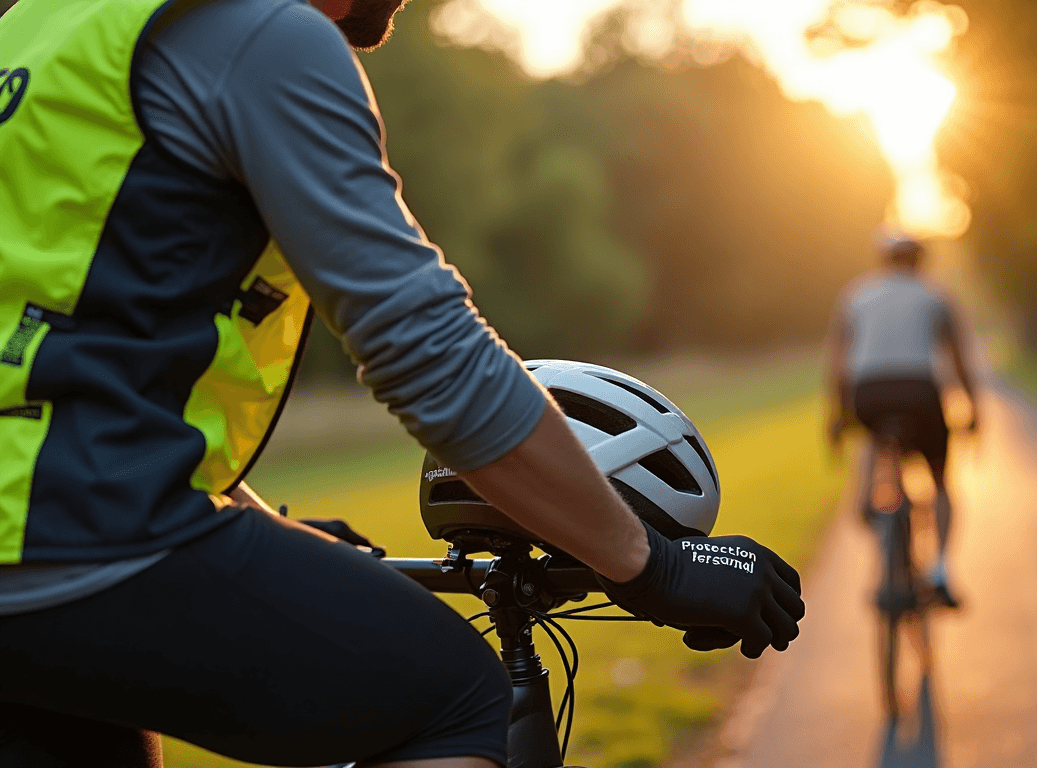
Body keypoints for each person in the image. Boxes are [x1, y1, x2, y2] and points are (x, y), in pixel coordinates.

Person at [0, 1, 803, 766]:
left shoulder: (43, 25)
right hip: (82, 535)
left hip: (43, 540)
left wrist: (251, 519)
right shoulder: (263, 32)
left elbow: (70, 357)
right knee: (457, 705)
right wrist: (651, 564)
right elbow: (426, 352)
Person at [825, 231, 978, 608]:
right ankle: (940, 570)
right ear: (920, 261)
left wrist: (836, 416)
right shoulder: (936, 295)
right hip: (919, 390)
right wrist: (973, 408)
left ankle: (868, 504)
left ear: (884, 260)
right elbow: (958, 358)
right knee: (941, 480)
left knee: (876, 440)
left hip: (870, 391)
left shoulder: (856, 295)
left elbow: (839, 362)